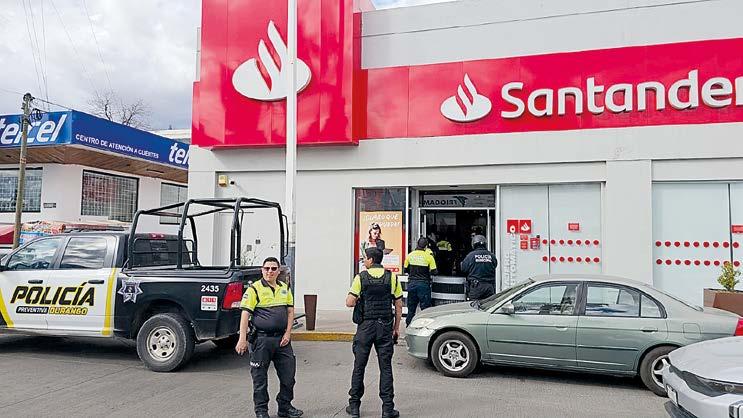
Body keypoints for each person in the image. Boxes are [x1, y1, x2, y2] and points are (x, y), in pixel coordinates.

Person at [236, 257, 303, 418]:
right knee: (259, 379)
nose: (270, 271)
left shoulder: (284, 288)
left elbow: (290, 312)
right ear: (262, 270)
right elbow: (245, 315)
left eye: (273, 268)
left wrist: (288, 333)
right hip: (261, 340)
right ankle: (261, 411)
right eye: (267, 268)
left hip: (282, 341)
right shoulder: (254, 289)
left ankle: (285, 407)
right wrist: (242, 339)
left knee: (288, 377)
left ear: (278, 271)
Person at [345, 247, 403, 418]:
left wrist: (359, 298)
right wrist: (396, 328)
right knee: (386, 368)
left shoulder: (361, 277)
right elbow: (398, 305)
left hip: (366, 327)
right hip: (384, 326)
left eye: (365, 258)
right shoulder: (392, 277)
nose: (363, 261)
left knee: (359, 366)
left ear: (371, 260)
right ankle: (387, 409)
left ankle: (354, 407)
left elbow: (349, 302)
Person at [403, 237, 438, 326]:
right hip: (423, 285)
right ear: (426, 246)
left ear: (417, 244)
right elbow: (434, 272)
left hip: (412, 284)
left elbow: (405, 269)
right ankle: (424, 326)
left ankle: (408, 325)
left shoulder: (410, 255)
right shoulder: (429, 256)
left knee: (411, 308)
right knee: (425, 309)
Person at [461, 235, 498, 300]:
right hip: (489, 287)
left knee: (473, 305)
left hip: (476, 287)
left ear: (474, 244)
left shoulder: (471, 256)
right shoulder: (491, 256)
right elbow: (495, 265)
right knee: (489, 304)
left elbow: (463, 268)